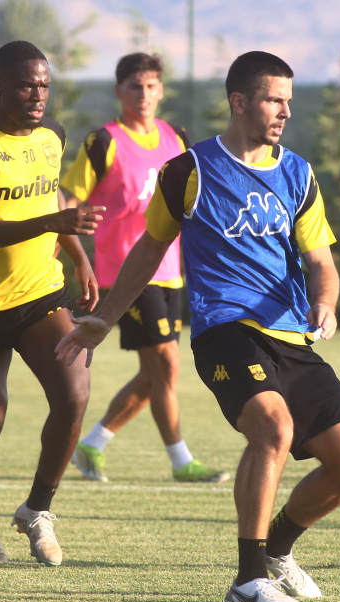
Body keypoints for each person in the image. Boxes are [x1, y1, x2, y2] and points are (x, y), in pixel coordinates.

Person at [55, 51, 340, 602]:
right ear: (239, 102)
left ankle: (277, 549)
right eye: (274, 100)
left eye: (289, 102)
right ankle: (247, 580)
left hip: (290, 334)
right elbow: (149, 248)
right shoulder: (189, 171)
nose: (285, 112)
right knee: (273, 428)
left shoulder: (298, 174)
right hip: (223, 328)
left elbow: (321, 261)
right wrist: (105, 318)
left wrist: (325, 302)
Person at [0, 40, 103, 566]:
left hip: (41, 292)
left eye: (43, 85)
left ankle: (37, 510)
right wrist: (54, 223)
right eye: (25, 86)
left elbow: (52, 196)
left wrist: (78, 256)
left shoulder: (52, 135)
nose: (37, 95)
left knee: (74, 393)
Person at [60, 52, 228, 484]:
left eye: (152, 85)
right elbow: (68, 201)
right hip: (127, 272)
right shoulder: (104, 142)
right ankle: (181, 461)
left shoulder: (176, 138)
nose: (144, 94)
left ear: (162, 91)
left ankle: (92, 444)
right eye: (135, 85)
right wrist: (63, 248)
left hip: (171, 270)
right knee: (167, 365)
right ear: (119, 91)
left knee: (156, 372)